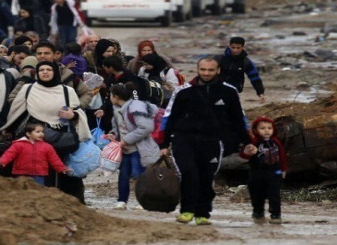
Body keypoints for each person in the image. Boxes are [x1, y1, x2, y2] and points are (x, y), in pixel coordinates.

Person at [159, 57, 251, 226]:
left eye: (210, 70)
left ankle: (202, 213)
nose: (206, 73)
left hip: (212, 142)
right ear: (198, 69)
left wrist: (248, 141)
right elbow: (168, 118)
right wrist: (163, 144)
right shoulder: (183, 91)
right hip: (183, 139)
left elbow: (239, 119)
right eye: (203, 70)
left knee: (206, 177)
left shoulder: (229, 92)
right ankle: (186, 211)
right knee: (188, 173)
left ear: (218, 71)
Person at [0, 61, 91, 202]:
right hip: (33, 138)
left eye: (49, 69)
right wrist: (9, 130)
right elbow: (16, 112)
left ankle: (64, 203)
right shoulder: (28, 89)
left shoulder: (68, 91)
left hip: (60, 138)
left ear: (55, 72)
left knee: (61, 171)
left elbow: (78, 112)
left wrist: (72, 115)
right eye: (41, 69)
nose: (45, 72)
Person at [107, 83, 160, 210]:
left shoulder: (135, 107)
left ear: (115, 96)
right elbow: (117, 127)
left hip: (138, 148)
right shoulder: (117, 109)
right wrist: (113, 134)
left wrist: (126, 140)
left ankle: (143, 201)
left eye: (110, 95)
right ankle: (121, 201)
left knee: (139, 175)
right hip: (125, 149)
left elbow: (146, 127)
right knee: (123, 175)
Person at [240, 116, 287, 225]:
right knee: (257, 194)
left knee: (274, 194)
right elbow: (244, 155)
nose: (266, 130)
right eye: (263, 128)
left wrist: (283, 169)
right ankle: (258, 212)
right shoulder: (254, 142)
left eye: (269, 128)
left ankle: (276, 214)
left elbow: (282, 156)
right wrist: (247, 152)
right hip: (257, 173)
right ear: (256, 130)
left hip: (274, 172)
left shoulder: (276, 142)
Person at [0, 121, 69, 185]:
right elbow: (9, 154)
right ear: (28, 134)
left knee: (38, 191)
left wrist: (62, 168)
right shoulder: (18, 144)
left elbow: (54, 159)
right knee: (21, 191)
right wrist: (2, 162)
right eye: (37, 132)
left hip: (39, 174)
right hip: (21, 173)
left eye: (42, 132)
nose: (41, 134)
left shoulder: (47, 146)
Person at [216, 36, 266, 104]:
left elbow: (254, 78)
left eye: (238, 48)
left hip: (234, 89)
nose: (235, 50)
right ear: (229, 46)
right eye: (233, 47)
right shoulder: (220, 59)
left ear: (242, 47)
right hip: (219, 87)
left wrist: (260, 93)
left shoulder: (246, 62)